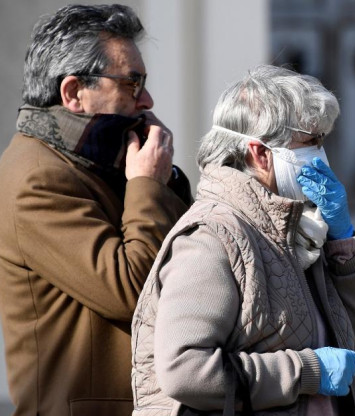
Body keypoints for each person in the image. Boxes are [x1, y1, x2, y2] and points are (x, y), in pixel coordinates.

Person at [131, 65, 355, 415]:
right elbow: (184, 371)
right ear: (260, 154)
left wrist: (344, 244)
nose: (321, 154)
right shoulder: (211, 237)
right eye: (310, 142)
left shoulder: (302, 231)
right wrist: (306, 371)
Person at [0, 5, 192, 416]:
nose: (147, 100)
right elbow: (133, 293)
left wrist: (164, 181)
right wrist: (146, 185)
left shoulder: (98, 161)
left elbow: (191, 266)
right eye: (131, 83)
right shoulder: (36, 179)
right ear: (73, 93)